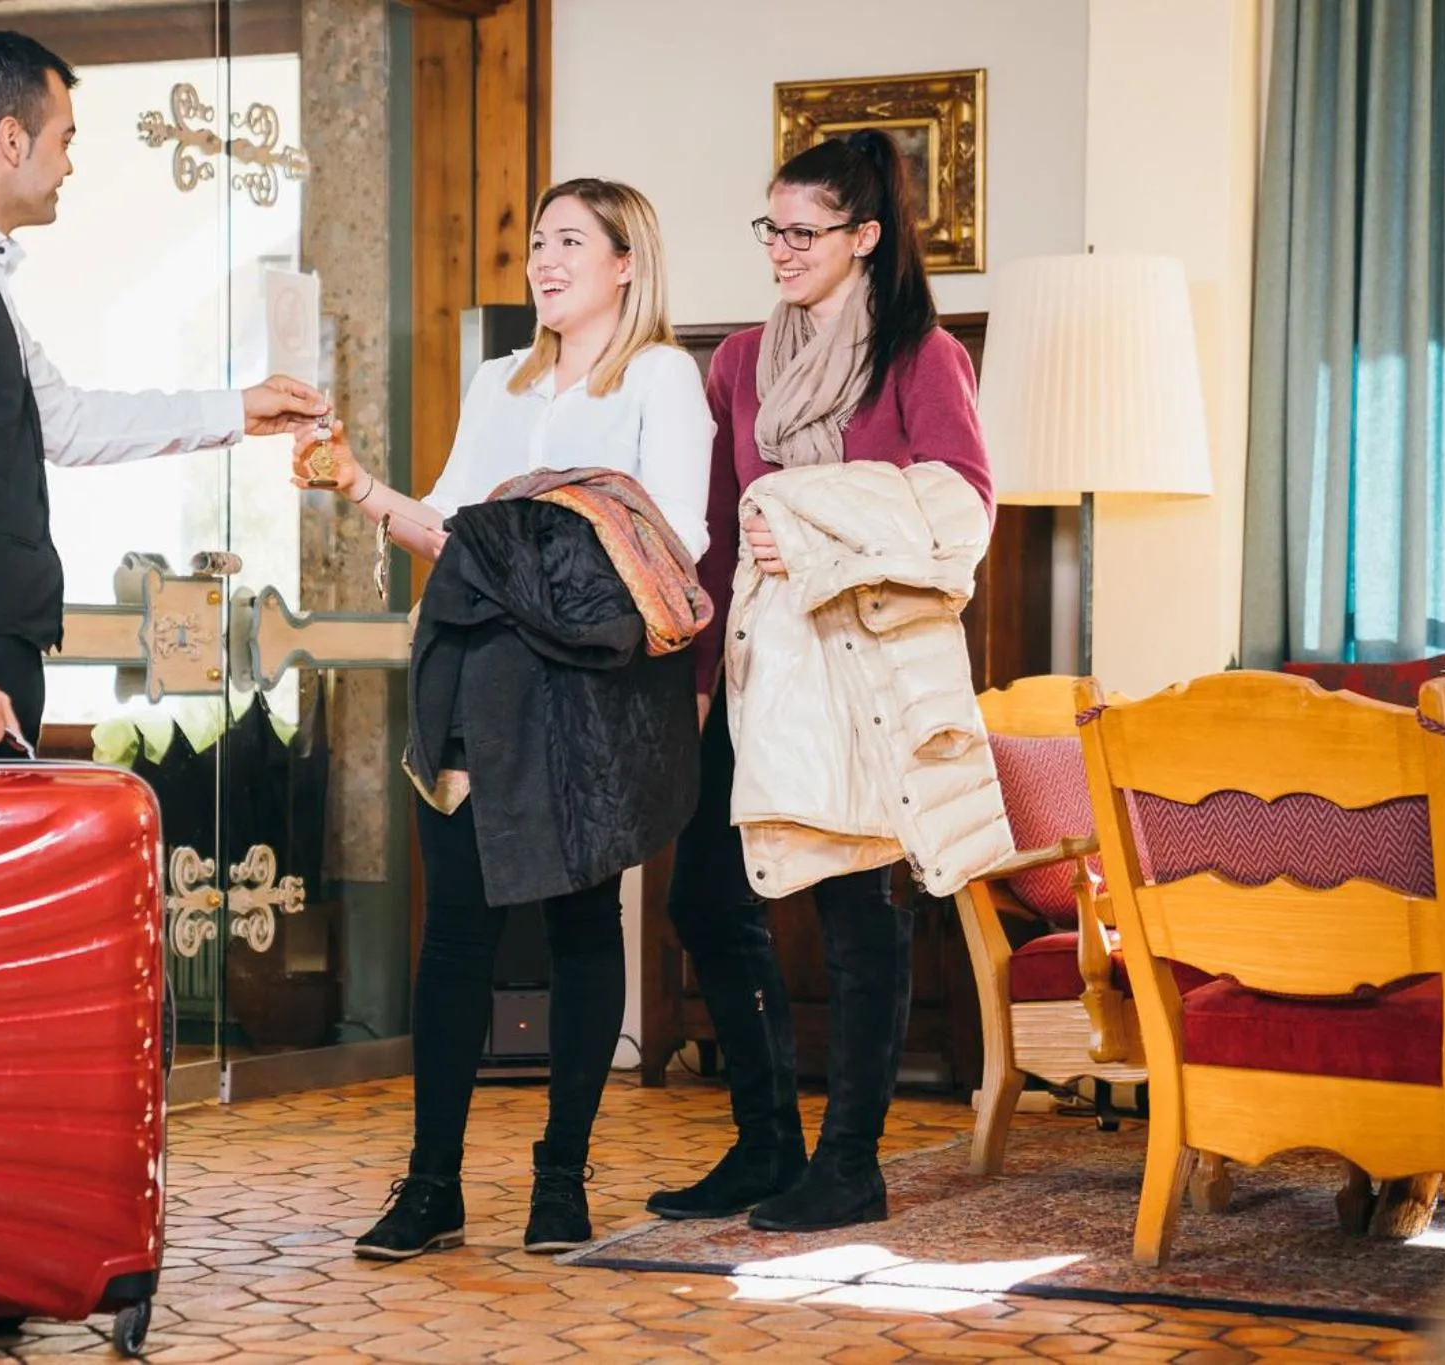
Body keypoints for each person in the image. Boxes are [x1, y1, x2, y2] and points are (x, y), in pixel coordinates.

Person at [289, 178, 713, 1260]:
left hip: (585, 697)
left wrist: (517, 542)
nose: (544, 259)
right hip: (472, 681)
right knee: (455, 933)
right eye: (536, 241)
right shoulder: (498, 381)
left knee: (582, 925)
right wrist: (360, 485)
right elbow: (450, 530)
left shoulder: (661, 377)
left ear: (626, 262)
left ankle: (559, 1180)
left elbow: (672, 541)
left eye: (571, 240)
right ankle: (431, 1185)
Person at [647, 131, 996, 1233]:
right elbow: (716, 531)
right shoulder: (739, 363)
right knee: (706, 897)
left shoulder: (921, 358)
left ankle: (850, 1162)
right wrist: (698, 673)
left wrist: (812, 520)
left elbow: (962, 507)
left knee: (857, 908)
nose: (781, 249)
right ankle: (766, 1144)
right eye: (772, 227)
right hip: (758, 663)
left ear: (865, 236)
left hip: (862, 665)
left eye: (804, 231)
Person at [0, 30, 327, 762]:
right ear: (11, 139)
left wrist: (236, 410)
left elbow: (65, 420)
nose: (69, 163)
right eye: (64, 139)